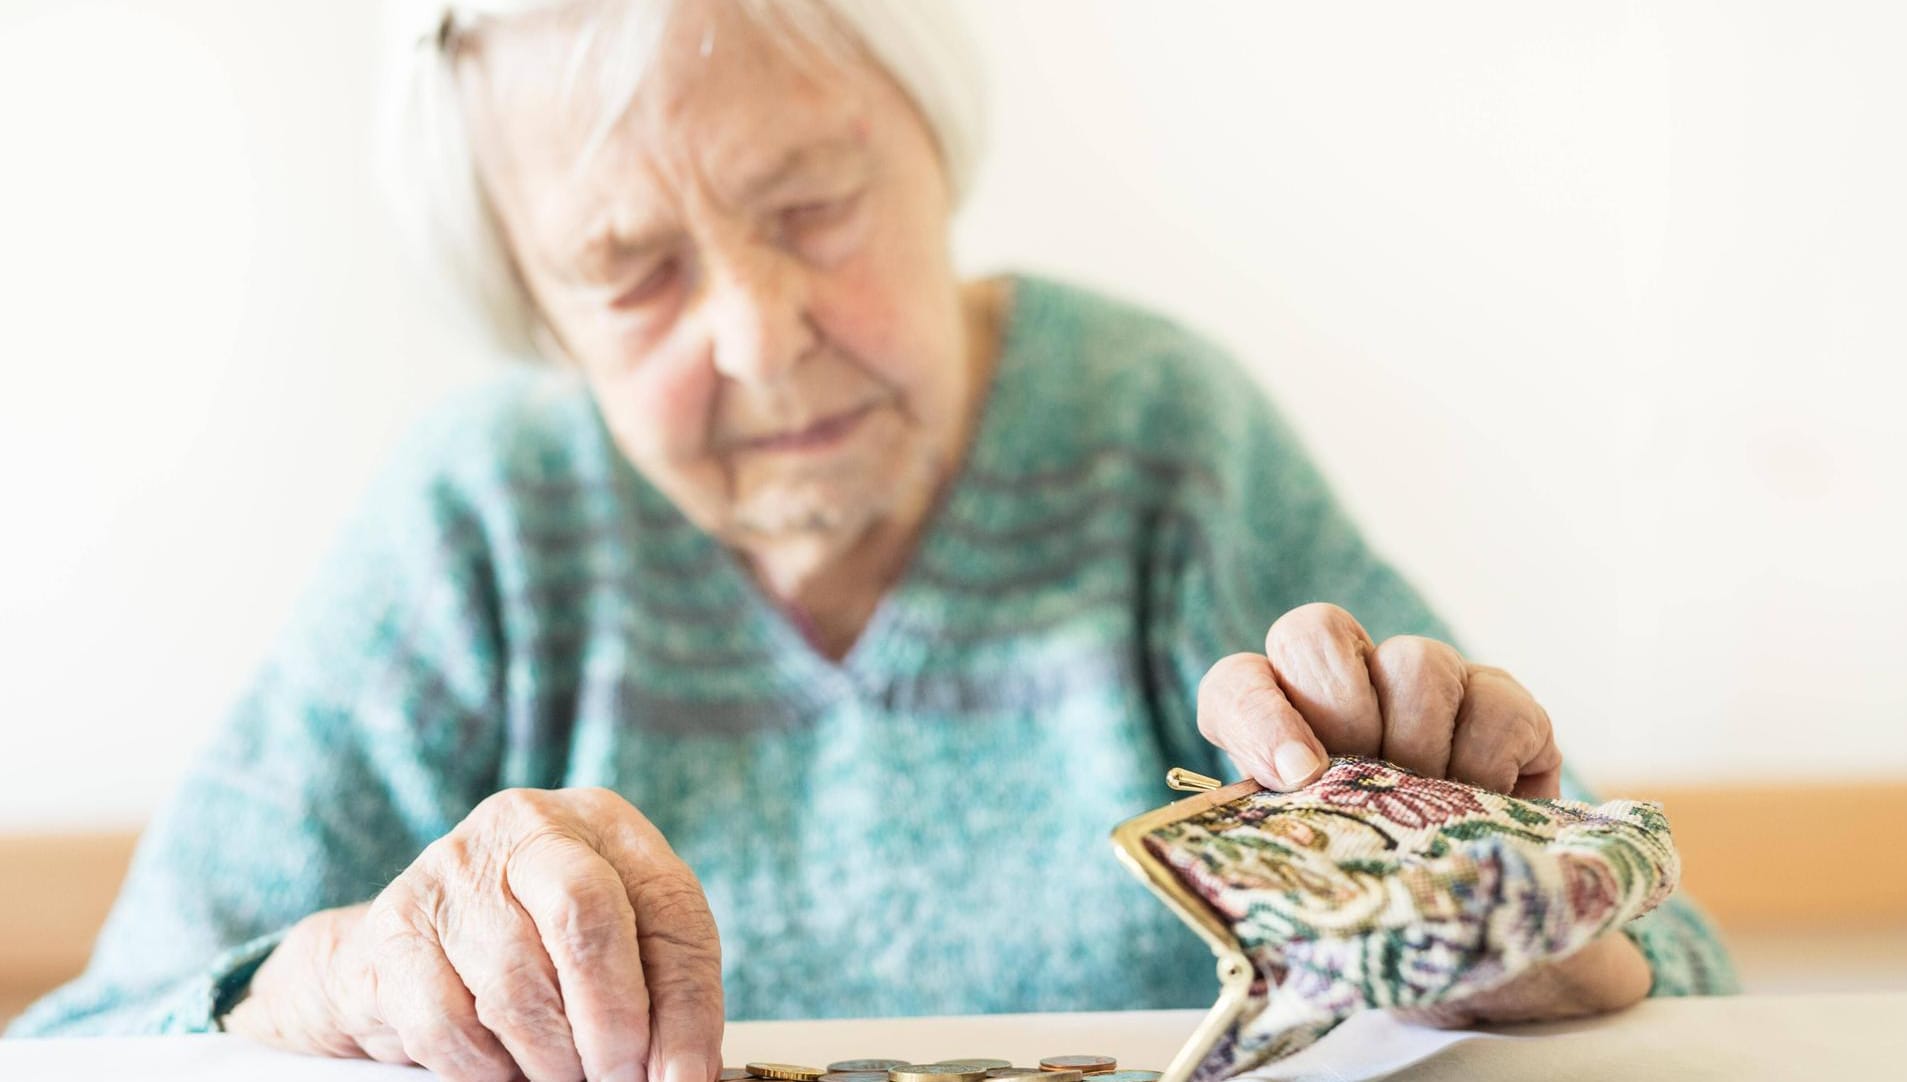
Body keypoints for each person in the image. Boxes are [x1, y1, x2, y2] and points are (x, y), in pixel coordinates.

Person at [8, 0, 1739, 1078]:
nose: (763, 336)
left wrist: (1518, 921)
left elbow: (1683, 979)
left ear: (931, 145)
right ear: (539, 310)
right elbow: (89, 1045)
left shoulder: (1156, 436)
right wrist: (336, 977)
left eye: (811, 205)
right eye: (632, 272)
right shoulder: (481, 519)